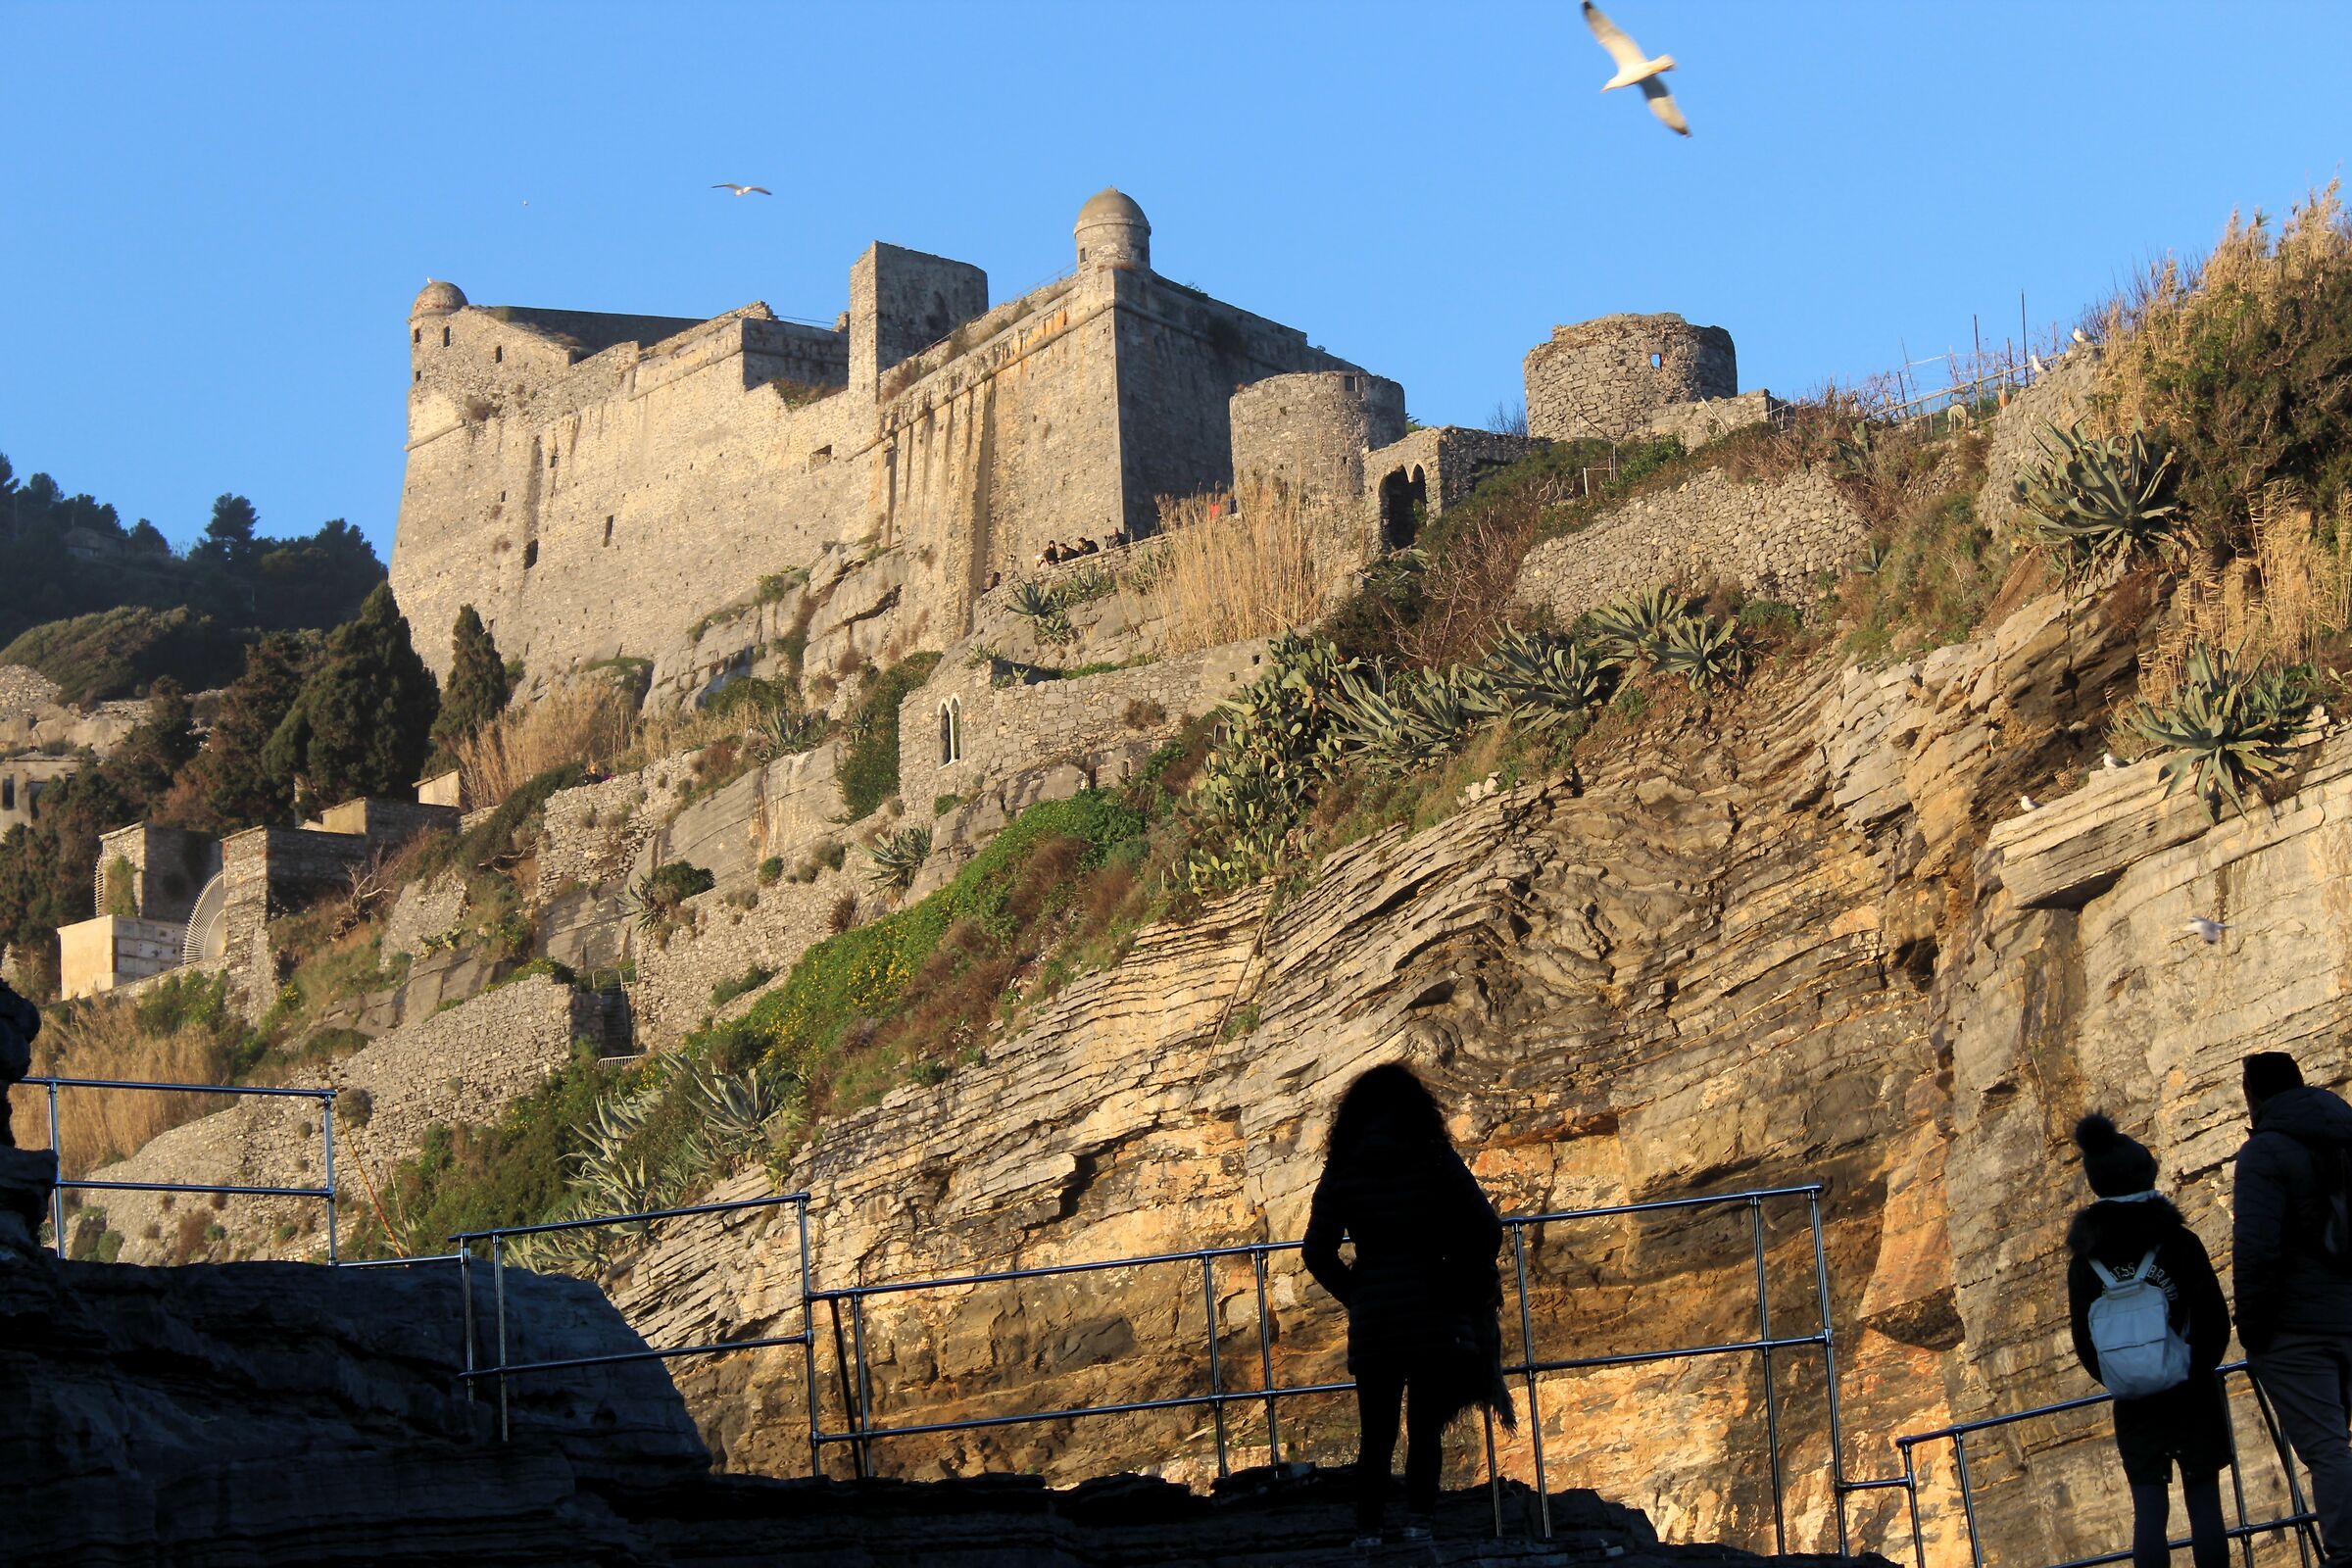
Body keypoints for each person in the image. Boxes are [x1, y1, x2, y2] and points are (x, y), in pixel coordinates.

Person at [1302, 1063, 1509, 1548]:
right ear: (1419, 1110)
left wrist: (1357, 1294)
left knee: (1376, 1434)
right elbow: (1487, 1229)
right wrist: (1458, 1276)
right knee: (1424, 1429)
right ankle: (1419, 1523)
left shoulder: (1345, 1167)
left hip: (1375, 1316)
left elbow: (1317, 1251)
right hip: (1435, 1309)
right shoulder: (1435, 1159)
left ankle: (1369, 1530)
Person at [2068, 1113, 2233, 1568]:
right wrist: (2191, 1369)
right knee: (2205, 1506)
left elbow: (2084, 1339)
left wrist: (2125, 1375)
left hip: (2133, 1400)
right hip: (2191, 1390)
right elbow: (2214, 1320)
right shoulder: (2178, 1243)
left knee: (2149, 1513)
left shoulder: (2086, 1261)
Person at [2235, 1052, 2352, 1565]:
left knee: (2328, 1449)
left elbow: (2257, 1249)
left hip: (2298, 1328)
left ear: (2253, 1095)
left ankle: (2347, 1553)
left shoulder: (2265, 1154)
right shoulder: (2345, 1136)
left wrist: (2254, 1330)